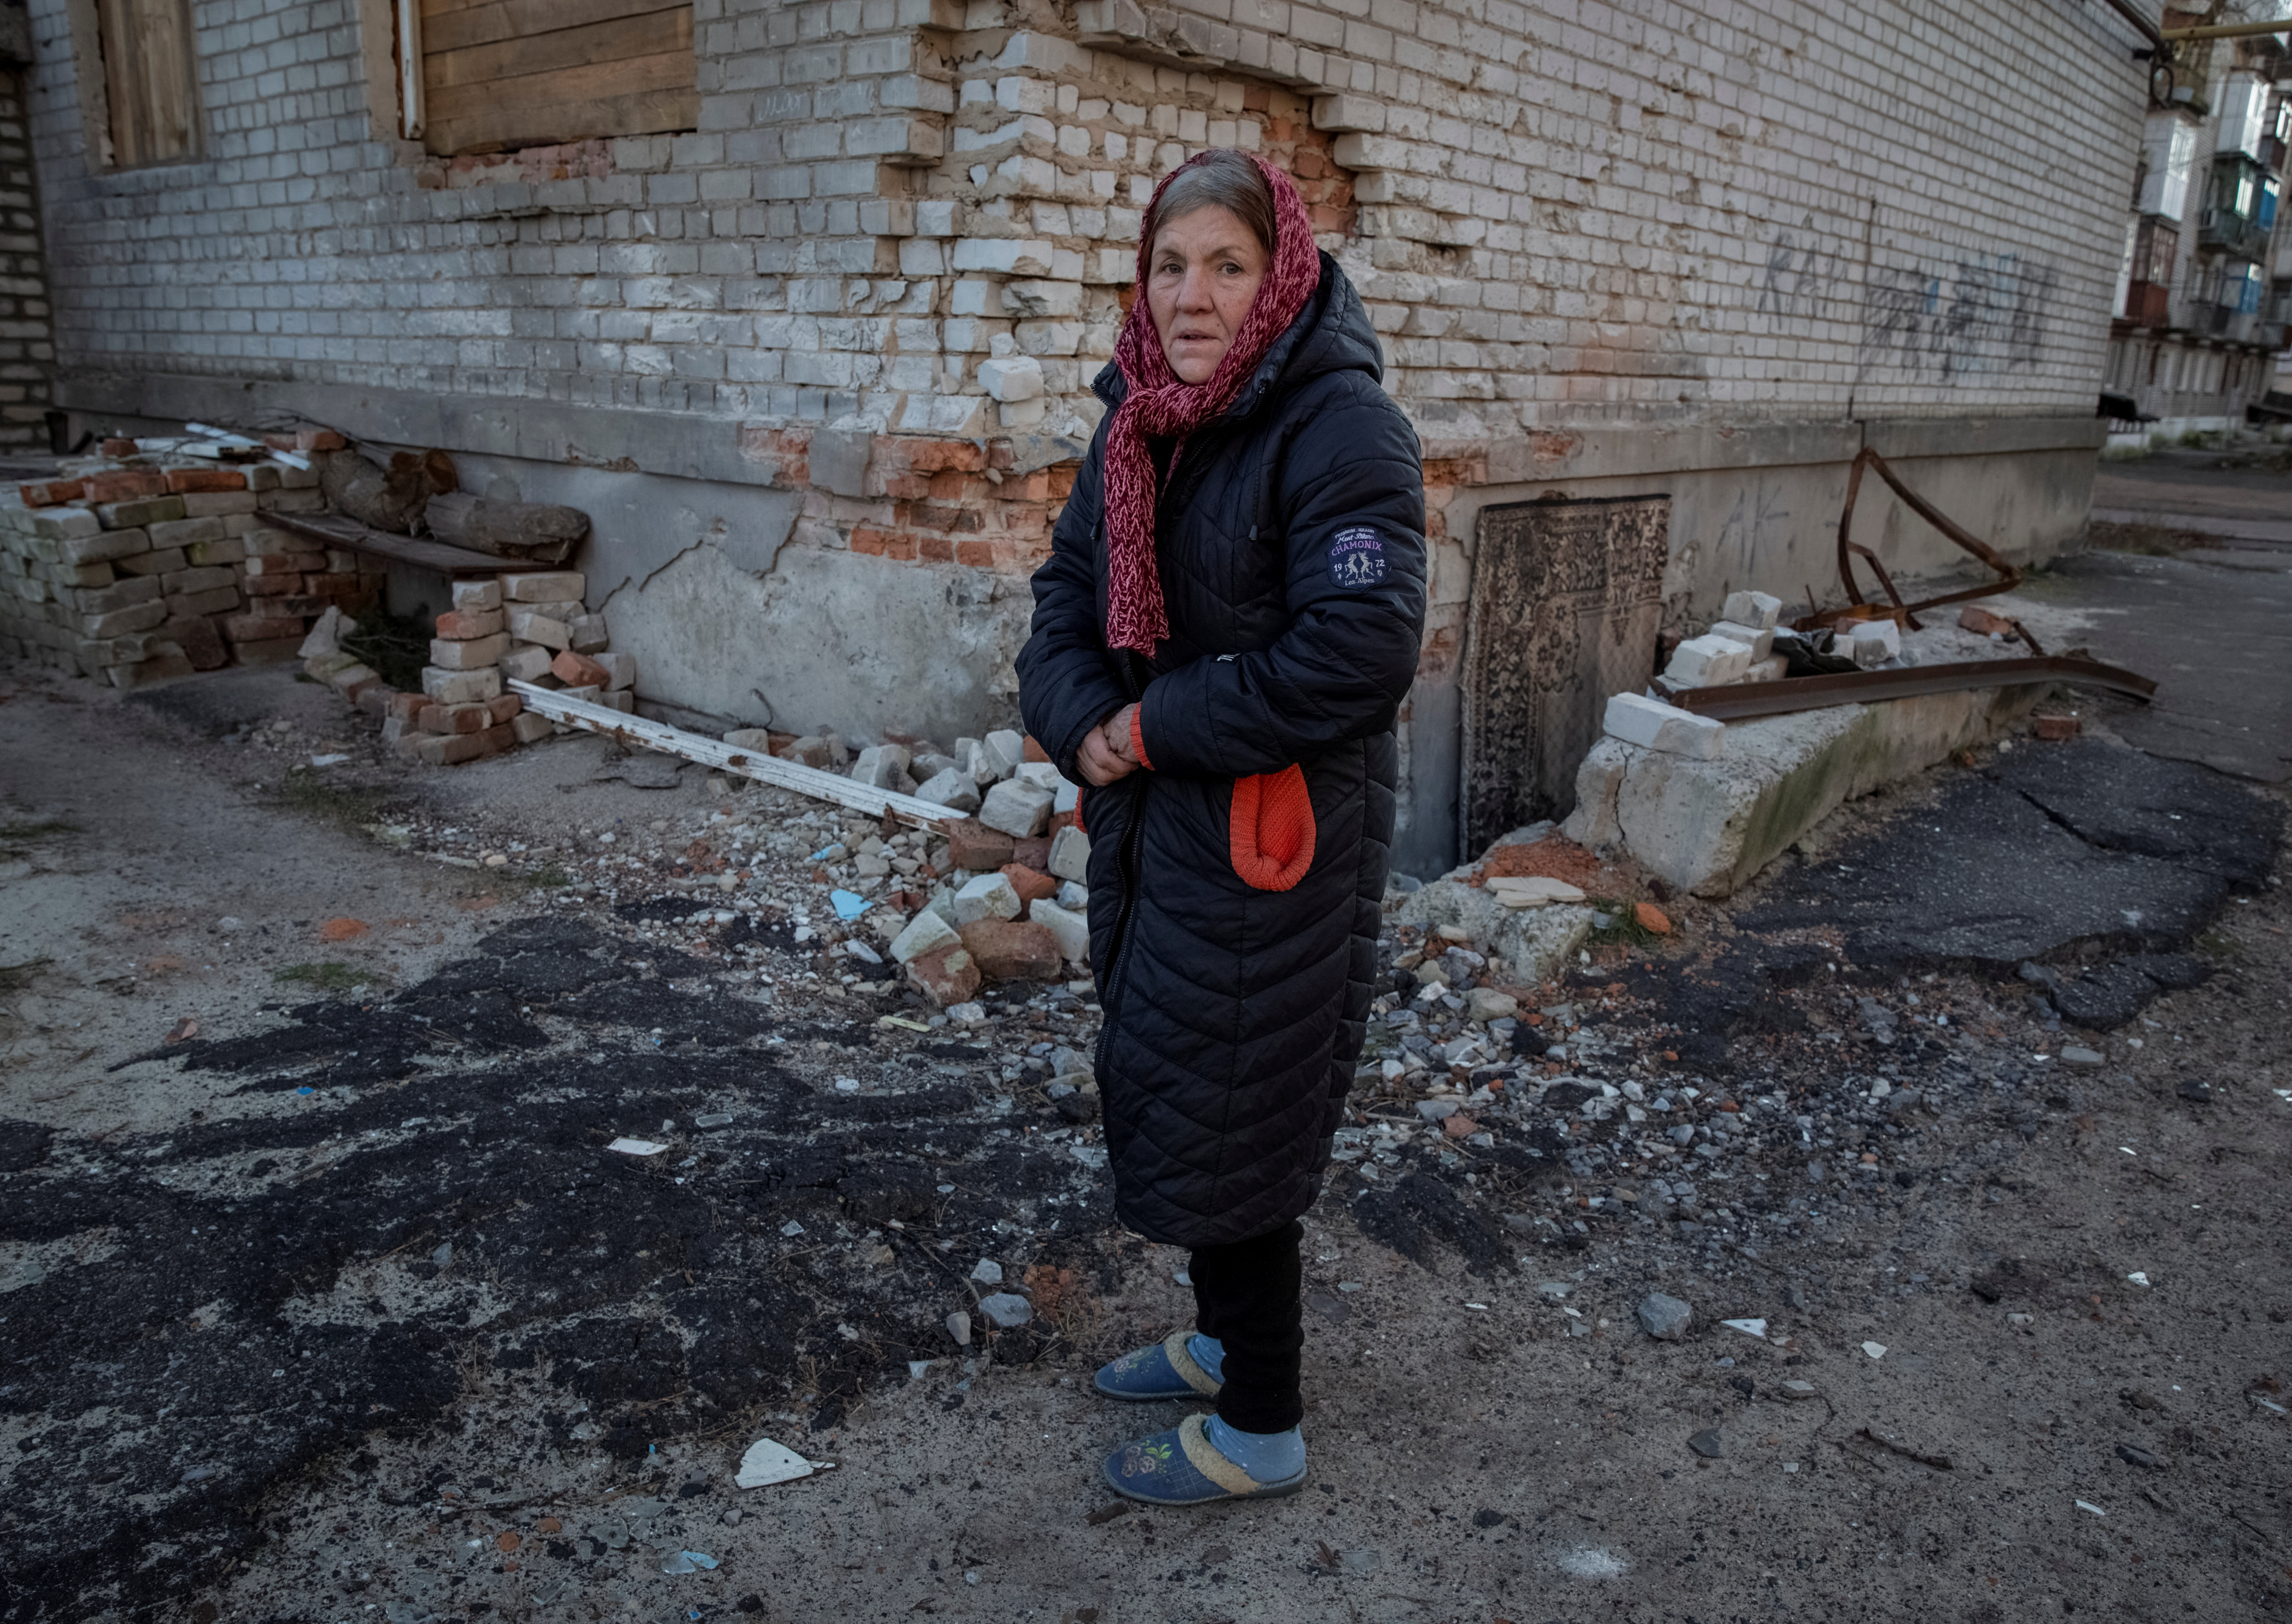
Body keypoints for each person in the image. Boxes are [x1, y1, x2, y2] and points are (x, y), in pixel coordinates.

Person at [1015, 149, 1427, 1507]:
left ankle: (1261, 1424)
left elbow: (1357, 654)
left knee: (1240, 1099)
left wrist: (1148, 730)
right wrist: (1081, 716)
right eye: (1171, 264)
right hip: (1157, 822)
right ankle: (1222, 1340)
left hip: (1271, 835)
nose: (1191, 296)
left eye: (1227, 265)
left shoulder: (1340, 428)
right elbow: (1067, 591)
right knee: (1186, 1075)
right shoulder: (1140, 417)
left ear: (1282, 274)